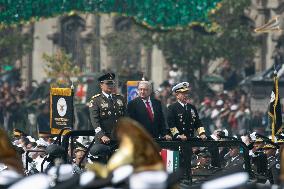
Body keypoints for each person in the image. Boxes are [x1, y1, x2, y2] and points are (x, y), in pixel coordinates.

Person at [89, 73, 126, 163]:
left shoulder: (120, 98)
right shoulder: (96, 100)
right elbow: (95, 121)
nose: (110, 86)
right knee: (103, 166)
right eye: (108, 83)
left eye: (112, 83)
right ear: (101, 85)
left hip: (118, 138)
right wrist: (102, 135)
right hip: (104, 140)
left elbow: (125, 117)